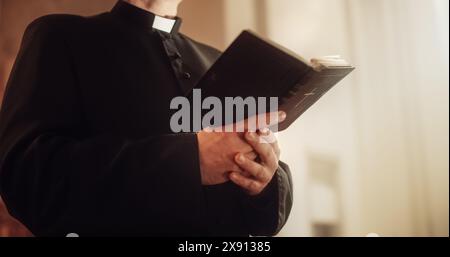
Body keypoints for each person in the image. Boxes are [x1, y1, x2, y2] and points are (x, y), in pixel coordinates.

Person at [0, 0, 292, 236]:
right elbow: (25, 176)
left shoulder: (218, 60)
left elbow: (255, 221)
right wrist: (192, 161)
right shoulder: (59, 35)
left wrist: (264, 180)